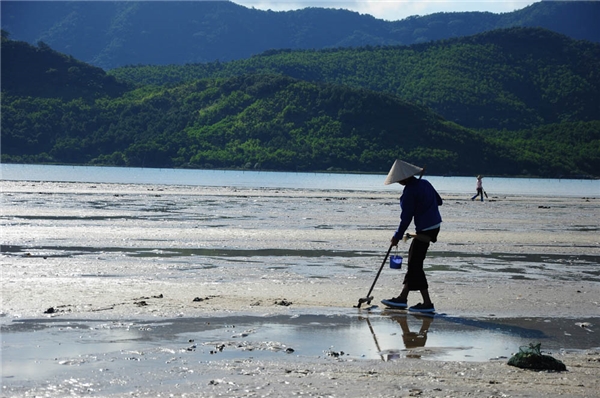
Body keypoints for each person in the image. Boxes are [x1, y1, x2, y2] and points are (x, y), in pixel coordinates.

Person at [380, 159, 442, 313]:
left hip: (425, 229)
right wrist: (423, 203)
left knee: (415, 264)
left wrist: (397, 236)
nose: (398, 182)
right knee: (413, 262)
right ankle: (403, 298)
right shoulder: (425, 183)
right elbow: (439, 201)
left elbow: (406, 218)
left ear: (405, 177)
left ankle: (427, 303)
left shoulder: (409, 191)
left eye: (399, 179)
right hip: (434, 225)